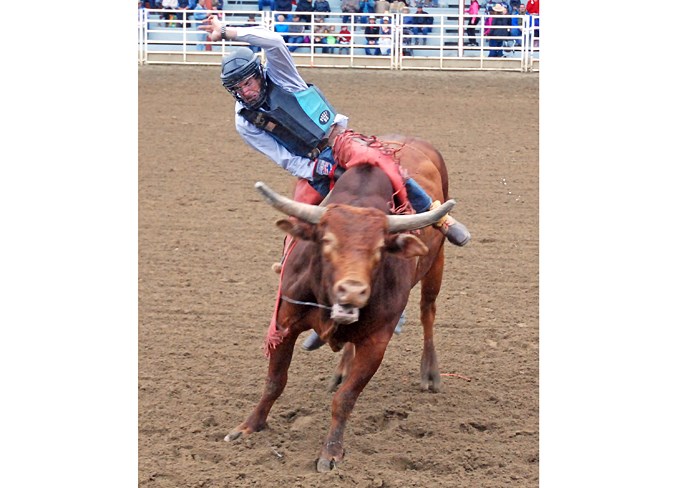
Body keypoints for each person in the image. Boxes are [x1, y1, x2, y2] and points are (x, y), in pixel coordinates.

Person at [197, 19, 472, 349]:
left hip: (338, 141)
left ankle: (438, 216)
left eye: (248, 81)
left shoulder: (282, 75)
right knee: (301, 229)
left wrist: (226, 32)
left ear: (258, 73)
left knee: (383, 167)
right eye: (238, 87)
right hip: (312, 166)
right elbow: (281, 156)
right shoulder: (244, 121)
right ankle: (318, 305)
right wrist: (314, 168)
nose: (246, 90)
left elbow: (273, 41)